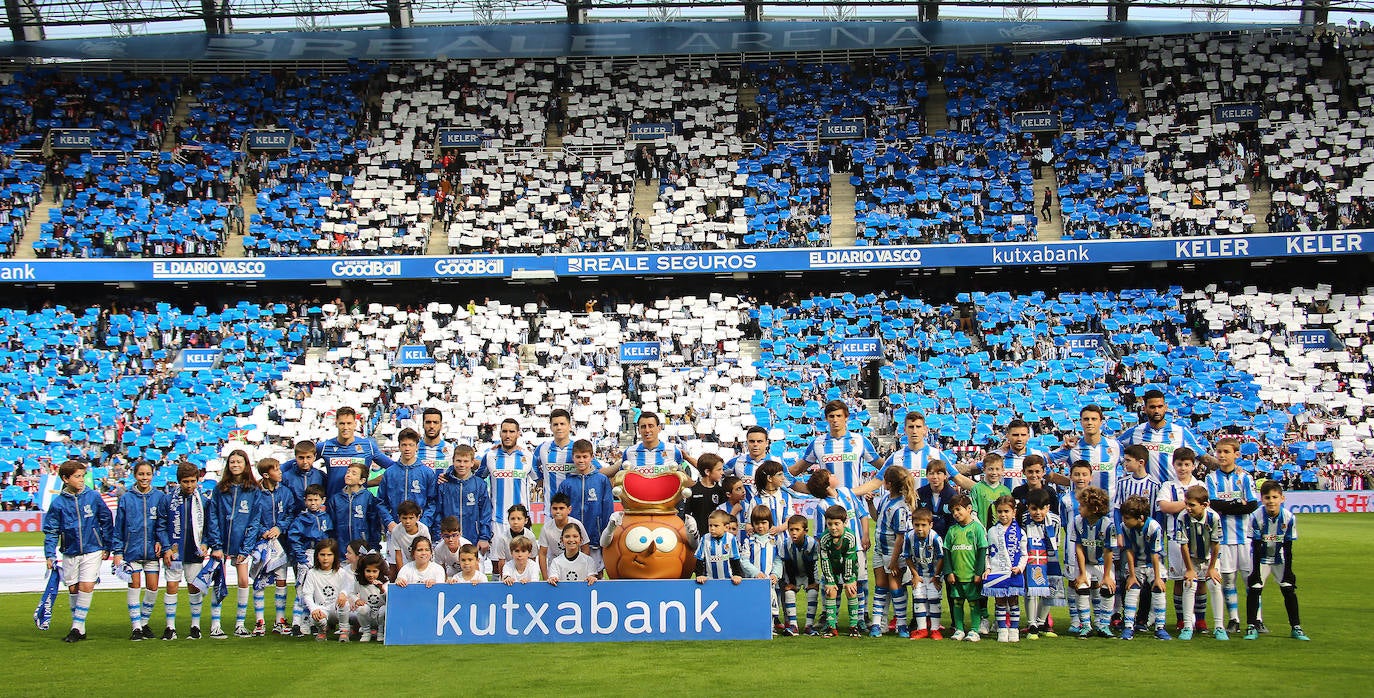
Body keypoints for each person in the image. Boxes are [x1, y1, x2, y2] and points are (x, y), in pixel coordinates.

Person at [42, 459, 114, 643]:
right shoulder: (58, 504)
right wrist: (49, 554)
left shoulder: (93, 497)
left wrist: (107, 545)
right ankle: (80, 629)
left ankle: (75, 627)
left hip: (93, 548)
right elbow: (51, 530)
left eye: (83, 476)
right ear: (66, 479)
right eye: (77, 476)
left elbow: (106, 519)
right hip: (70, 550)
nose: (81, 480)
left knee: (87, 586)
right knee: (73, 588)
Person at [205, 449, 264, 639]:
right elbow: (213, 517)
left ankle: (240, 624)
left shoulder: (253, 490)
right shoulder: (220, 488)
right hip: (221, 544)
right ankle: (215, 625)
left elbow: (255, 520)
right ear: (228, 465)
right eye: (232, 462)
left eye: (239, 462)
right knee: (218, 581)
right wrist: (216, 545)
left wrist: (246, 549)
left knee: (243, 581)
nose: (235, 465)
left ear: (246, 464)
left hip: (242, 544)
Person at [804, 469, 872, 632]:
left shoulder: (846, 492)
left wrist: (865, 535)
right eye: (831, 475)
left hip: (856, 548)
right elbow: (819, 534)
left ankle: (860, 618)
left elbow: (862, 514)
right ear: (826, 484)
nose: (835, 475)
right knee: (834, 585)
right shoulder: (822, 506)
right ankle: (830, 620)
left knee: (859, 582)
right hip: (833, 554)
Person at [1205, 437, 1258, 635]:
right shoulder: (1211, 478)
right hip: (1223, 539)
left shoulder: (1245, 477)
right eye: (1219, 451)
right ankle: (1234, 619)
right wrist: (1237, 504)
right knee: (1227, 580)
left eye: (1226, 452)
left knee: (1250, 581)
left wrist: (1227, 507)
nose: (1221, 455)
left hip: (1245, 538)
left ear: (1236, 454)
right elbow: (1214, 504)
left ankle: (1256, 619)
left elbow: (1252, 505)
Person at [1244, 481, 1309, 641]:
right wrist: (1255, 572)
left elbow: (1288, 546)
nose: (1271, 501)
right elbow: (1256, 545)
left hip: (1280, 558)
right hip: (1261, 557)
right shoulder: (1255, 516)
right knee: (1255, 588)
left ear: (1282, 498)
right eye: (1267, 497)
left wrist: (1289, 571)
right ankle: (1251, 626)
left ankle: (1296, 627)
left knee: (1288, 589)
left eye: (1274, 497)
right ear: (1262, 499)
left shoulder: (1288, 517)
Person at [111, 460, 168, 641]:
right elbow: (119, 527)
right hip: (132, 552)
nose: (144, 477)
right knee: (134, 586)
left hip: (152, 553)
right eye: (141, 474)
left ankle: (144, 623)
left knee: (153, 588)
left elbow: (163, 524)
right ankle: (136, 627)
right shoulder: (126, 498)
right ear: (135, 475)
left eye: (148, 474)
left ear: (153, 475)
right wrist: (118, 552)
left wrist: (160, 541)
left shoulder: (160, 497)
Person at [1157, 447, 1207, 633]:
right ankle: (1181, 619)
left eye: (1187, 464)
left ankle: (1200, 620)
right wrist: (1190, 504)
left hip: (1199, 539)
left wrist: (1180, 506)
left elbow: (1205, 508)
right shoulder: (1168, 486)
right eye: (1179, 464)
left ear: (1193, 466)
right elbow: (1164, 506)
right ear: (1173, 465)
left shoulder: (1200, 485)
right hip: (1175, 539)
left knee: (1201, 579)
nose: (1183, 468)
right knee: (1178, 580)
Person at [1118, 390, 1210, 485]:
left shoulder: (1180, 432)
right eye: (1152, 407)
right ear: (1144, 409)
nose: (1156, 411)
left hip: (1172, 490)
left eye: (1160, 406)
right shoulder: (1134, 432)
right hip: (1144, 490)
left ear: (1165, 407)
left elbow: (1205, 458)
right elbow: (1115, 447)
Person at [790, 400, 883, 490]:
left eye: (839, 416)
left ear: (846, 417)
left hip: (854, 500)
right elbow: (797, 469)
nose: (835, 420)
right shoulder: (817, 443)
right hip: (829, 500)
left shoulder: (860, 441)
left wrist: (868, 488)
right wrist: (781, 475)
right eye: (831, 416)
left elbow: (884, 467)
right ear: (826, 418)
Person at [162, 462, 209, 640]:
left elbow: (209, 527)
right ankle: (170, 627)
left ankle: (195, 626)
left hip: (193, 550)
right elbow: (161, 525)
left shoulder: (203, 501)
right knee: (171, 585)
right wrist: (166, 547)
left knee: (194, 586)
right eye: (185, 481)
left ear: (197, 480)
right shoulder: (168, 500)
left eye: (192, 481)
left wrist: (205, 543)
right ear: (178, 481)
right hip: (174, 550)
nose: (189, 485)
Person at [252, 457, 298, 637]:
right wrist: (262, 531)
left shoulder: (285, 492)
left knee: (281, 580)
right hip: (260, 543)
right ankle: (259, 621)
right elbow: (251, 517)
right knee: (259, 581)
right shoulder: (255, 492)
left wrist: (279, 528)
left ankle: (280, 620)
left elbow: (291, 513)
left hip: (280, 543)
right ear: (266, 475)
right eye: (276, 469)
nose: (280, 472)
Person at [869, 466, 916, 637]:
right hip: (879, 550)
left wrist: (894, 561)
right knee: (880, 586)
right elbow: (877, 518)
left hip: (893, 553)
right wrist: (870, 504)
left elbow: (900, 537)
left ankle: (901, 624)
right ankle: (877, 624)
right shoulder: (885, 499)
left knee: (896, 588)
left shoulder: (901, 507)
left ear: (888, 483)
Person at [1119, 495, 1171, 640]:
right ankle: (1128, 626)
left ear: (1140, 517)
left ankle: (1160, 627)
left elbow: (1155, 554)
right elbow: (1129, 551)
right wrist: (1132, 575)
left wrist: (1158, 578)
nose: (1124, 520)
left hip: (1153, 564)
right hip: (1136, 564)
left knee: (1158, 589)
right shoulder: (1125, 527)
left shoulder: (1154, 527)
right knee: (1132, 589)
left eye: (1127, 518)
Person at [556, 439, 613, 569]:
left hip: (595, 537)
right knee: (572, 572)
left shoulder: (602, 480)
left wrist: (605, 534)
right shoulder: (567, 484)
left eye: (585, 456)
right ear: (573, 458)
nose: (581, 460)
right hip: (572, 539)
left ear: (592, 457)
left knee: (595, 572)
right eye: (578, 457)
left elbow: (607, 509)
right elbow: (561, 511)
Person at [316, 406, 398, 498]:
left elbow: (395, 469)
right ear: (336, 424)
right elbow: (305, 463)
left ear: (355, 424)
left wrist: (368, 483)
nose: (345, 427)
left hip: (360, 503)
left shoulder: (368, 446)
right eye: (342, 423)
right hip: (333, 503)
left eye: (349, 423)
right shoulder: (324, 447)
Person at [1069, 486, 1117, 638]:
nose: (1079, 508)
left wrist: (1107, 576)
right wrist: (1082, 573)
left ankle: (1104, 625)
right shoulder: (1077, 521)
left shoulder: (1108, 525)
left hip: (1103, 564)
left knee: (1108, 587)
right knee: (1081, 586)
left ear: (1094, 509)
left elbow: (1108, 552)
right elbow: (1078, 548)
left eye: (1082, 505)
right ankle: (1086, 625)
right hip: (1086, 564)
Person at [1176, 485, 1223, 641]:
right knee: (1189, 585)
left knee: (1215, 584)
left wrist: (1212, 568)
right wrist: (1189, 569)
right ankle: (1188, 626)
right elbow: (1183, 545)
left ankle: (1219, 627)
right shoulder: (1182, 517)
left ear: (1205, 505)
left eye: (1192, 505)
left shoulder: (1213, 517)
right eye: (1186, 504)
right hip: (1192, 558)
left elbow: (1216, 544)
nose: (1188, 508)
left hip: (1210, 558)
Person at [286, 484, 332, 636]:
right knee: (302, 590)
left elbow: (329, 536)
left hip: (321, 556)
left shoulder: (326, 518)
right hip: (306, 556)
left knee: (316, 591)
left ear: (322, 500)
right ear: (305, 501)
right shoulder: (301, 519)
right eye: (310, 500)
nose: (313, 503)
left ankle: (311, 622)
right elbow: (294, 539)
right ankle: (296, 623)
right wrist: (301, 558)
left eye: (316, 500)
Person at [880, 411, 969, 489]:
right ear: (905, 430)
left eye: (918, 427)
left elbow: (959, 478)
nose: (914, 431)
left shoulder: (937, 455)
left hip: (927, 503)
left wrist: (977, 488)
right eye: (911, 427)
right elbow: (878, 479)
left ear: (925, 430)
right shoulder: (895, 457)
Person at [943, 493, 987, 642]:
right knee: (957, 602)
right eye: (953, 511)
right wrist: (949, 572)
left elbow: (982, 551)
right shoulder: (952, 530)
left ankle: (974, 630)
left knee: (974, 603)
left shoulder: (977, 529)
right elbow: (946, 552)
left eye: (958, 509)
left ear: (969, 509)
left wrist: (978, 572)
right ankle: (959, 629)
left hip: (971, 576)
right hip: (956, 576)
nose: (955, 513)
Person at [1051, 405, 1122, 499]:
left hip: (1109, 506)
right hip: (1080, 506)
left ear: (1101, 422)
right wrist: (1071, 481)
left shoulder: (1115, 446)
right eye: (1086, 419)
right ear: (1081, 422)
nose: (1090, 422)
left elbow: (1135, 459)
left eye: (1094, 419)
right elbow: (1042, 462)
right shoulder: (1071, 448)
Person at [434, 444, 492, 557]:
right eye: (458, 461)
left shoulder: (479, 484)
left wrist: (484, 537)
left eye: (466, 461)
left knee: (472, 567)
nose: (462, 465)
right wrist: (439, 536)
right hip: (449, 540)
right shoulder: (444, 484)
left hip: (473, 539)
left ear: (472, 463)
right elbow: (438, 513)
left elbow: (485, 513)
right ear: (453, 461)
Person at [603, 411, 698, 478]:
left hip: (665, 500)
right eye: (643, 427)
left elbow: (684, 476)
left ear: (659, 428)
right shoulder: (629, 452)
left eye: (651, 426)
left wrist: (688, 458)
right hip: (639, 500)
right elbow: (614, 474)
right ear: (639, 430)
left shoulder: (673, 451)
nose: (647, 430)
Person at [1021, 488, 1063, 639]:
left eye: (1042, 508)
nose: (1038, 512)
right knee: (1031, 590)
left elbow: (1056, 542)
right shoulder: (1024, 519)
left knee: (1049, 589)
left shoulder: (1055, 520)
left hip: (1049, 557)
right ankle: (1031, 624)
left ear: (1048, 507)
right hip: (1031, 557)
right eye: (1034, 509)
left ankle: (1041, 622)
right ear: (1028, 508)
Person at [476, 418, 535, 527]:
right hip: (497, 521)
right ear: (500, 433)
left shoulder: (528, 456)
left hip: (521, 521)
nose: (508, 435)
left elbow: (540, 479)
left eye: (511, 432)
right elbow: (476, 480)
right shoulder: (490, 456)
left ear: (518, 434)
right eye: (504, 431)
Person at [984, 496, 1027, 643]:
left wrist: (1020, 567)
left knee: (1014, 601)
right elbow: (988, 553)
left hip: (1014, 572)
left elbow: (1024, 554)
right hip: (997, 572)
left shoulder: (1020, 532)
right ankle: (1002, 629)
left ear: (1014, 512)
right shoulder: (991, 531)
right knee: (1000, 601)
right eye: (1000, 511)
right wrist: (988, 568)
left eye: (1006, 511)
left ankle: (1014, 629)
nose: (1003, 515)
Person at [815, 505, 861, 637]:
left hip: (849, 566)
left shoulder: (850, 536)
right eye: (830, 524)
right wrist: (829, 581)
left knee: (851, 590)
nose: (833, 527)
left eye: (837, 524)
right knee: (830, 592)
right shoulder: (824, 538)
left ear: (844, 523)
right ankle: (831, 626)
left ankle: (854, 626)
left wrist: (849, 580)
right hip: (832, 567)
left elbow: (850, 559)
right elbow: (824, 560)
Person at [377, 428, 438, 528]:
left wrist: (423, 524)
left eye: (411, 445)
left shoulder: (427, 473)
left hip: (419, 529)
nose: (407, 448)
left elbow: (432, 502)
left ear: (417, 447)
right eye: (404, 445)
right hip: (395, 527)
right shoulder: (389, 473)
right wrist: (389, 522)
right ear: (399, 446)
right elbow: (381, 501)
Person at [328, 463, 392, 550]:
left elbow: (374, 525)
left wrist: (374, 547)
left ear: (362, 480)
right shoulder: (335, 499)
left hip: (363, 547)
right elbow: (331, 526)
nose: (348, 475)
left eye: (353, 473)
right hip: (341, 548)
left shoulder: (368, 498)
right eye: (348, 472)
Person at [904, 508, 945, 640]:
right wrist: (915, 575)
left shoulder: (935, 538)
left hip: (934, 575)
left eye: (923, 525)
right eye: (917, 525)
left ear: (930, 525)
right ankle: (921, 629)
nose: (920, 529)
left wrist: (937, 576)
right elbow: (907, 557)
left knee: (934, 599)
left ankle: (935, 629)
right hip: (919, 574)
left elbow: (941, 558)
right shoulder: (909, 537)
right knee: (919, 597)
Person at [740, 505, 783, 626]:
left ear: (770, 523)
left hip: (769, 580)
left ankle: (770, 627)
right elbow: (744, 560)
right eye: (757, 523)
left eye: (764, 523)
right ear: (752, 524)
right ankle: (753, 626)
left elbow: (778, 560)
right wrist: (756, 573)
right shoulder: (749, 541)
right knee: (753, 604)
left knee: (770, 604)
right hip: (753, 581)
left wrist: (775, 574)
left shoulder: (775, 541)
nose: (760, 526)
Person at [301, 538, 351, 642]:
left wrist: (343, 593)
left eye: (329, 555)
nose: (325, 558)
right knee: (315, 617)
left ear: (335, 556)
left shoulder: (341, 572)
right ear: (317, 556)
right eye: (322, 555)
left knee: (345, 603)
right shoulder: (312, 573)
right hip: (322, 608)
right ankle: (322, 630)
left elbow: (348, 587)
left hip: (337, 609)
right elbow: (307, 594)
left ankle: (344, 631)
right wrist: (313, 609)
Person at [780, 514, 819, 636]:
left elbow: (812, 564)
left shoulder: (812, 543)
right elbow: (787, 564)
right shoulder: (785, 544)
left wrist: (812, 582)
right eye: (791, 530)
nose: (794, 533)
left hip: (808, 574)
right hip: (793, 573)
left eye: (797, 529)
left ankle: (809, 626)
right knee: (789, 593)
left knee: (813, 592)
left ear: (805, 531)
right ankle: (793, 626)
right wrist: (791, 583)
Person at [533, 408, 583, 500]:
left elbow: (597, 470)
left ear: (569, 426)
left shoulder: (579, 448)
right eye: (555, 424)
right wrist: (539, 479)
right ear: (551, 427)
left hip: (575, 506)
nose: (559, 427)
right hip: (550, 506)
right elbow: (533, 466)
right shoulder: (542, 448)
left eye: (562, 424)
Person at [729, 426, 790, 499]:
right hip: (746, 506)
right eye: (752, 441)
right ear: (747, 443)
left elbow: (791, 483)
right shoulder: (736, 461)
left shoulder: (777, 461)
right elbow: (719, 474)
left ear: (767, 443)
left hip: (769, 505)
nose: (755, 444)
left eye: (759, 441)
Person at [538, 493, 589, 579]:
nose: (558, 511)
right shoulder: (546, 528)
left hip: (575, 565)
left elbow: (585, 548)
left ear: (569, 509)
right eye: (555, 508)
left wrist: (583, 567)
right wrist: (545, 577)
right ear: (550, 509)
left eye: (561, 508)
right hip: (555, 568)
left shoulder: (577, 524)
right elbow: (542, 553)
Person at [695, 509, 746, 586]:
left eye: (716, 526)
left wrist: (737, 574)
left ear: (726, 527)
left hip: (728, 581)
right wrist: (699, 575)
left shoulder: (731, 539)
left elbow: (735, 559)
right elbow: (699, 559)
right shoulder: (705, 539)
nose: (712, 528)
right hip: (709, 581)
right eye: (710, 525)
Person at [746, 460, 794, 536]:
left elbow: (790, 520)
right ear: (769, 478)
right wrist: (752, 530)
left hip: (783, 541)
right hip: (763, 541)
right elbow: (748, 523)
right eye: (779, 475)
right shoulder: (756, 500)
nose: (783, 478)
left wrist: (778, 529)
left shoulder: (786, 497)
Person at [490, 504, 539, 577]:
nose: (515, 522)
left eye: (519, 519)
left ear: (526, 520)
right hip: (509, 572)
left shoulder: (530, 536)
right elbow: (501, 562)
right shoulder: (503, 538)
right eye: (512, 519)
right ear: (508, 520)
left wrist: (529, 576)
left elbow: (532, 559)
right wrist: (505, 578)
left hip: (526, 575)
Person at [350, 552, 388, 642]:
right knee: (362, 608)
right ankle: (366, 632)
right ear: (363, 570)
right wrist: (357, 600)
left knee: (384, 609)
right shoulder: (359, 583)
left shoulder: (385, 582)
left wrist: (382, 589)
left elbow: (388, 599)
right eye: (368, 571)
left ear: (380, 571)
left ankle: (381, 632)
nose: (371, 575)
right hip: (367, 613)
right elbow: (352, 593)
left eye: (374, 571)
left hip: (380, 614)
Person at [685, 452, 726, 534]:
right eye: (719, 470)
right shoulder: (693, 491)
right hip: (698, 535)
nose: (722, 472)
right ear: (707, 472)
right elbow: (687, 515)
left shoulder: (721, 491)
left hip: (717, 535)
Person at [386, 500, 431, 575]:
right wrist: (401, 574)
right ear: (399, 518)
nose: (407, 521)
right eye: (404, 518)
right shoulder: (396, 531)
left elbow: (428, 551)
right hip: (409, 562)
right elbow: (398, 555)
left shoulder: (423, 530)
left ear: (418, 517)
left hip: (424, 561)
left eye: (411, 518)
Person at [917, 461, 958, 537]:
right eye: (931, 473)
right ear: (927, 476)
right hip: (924, 537)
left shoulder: (952, 496)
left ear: (945, 476)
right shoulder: (920, 493)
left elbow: (955, 521)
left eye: (938, 473)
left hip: (947, 537)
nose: (935, 477)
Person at [280, 440, 326, 507]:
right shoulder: (286, 477)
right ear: (295, 457)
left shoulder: (321, 476)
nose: (305, 461)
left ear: (315, 457)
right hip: (294, 513)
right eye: (301, 458)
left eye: (308, 457)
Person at [971, 453, 1011, 526]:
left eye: (997, 469)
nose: (994, 473)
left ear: (1002, 470)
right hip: (982, 530)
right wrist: (981, 529)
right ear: (984, 470)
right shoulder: (977, 488)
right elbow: (973, 513)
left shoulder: (1006, 491)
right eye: (990, 469)